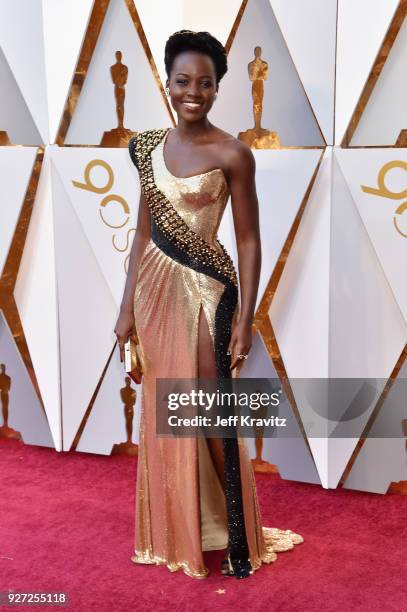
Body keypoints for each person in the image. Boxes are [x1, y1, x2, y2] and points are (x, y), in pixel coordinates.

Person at [114, 29, 303, 580]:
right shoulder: (147, 148)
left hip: (206, 295)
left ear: (218, 89)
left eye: (205, 83)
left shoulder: (232, 152)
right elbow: (143, 232)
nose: (193, 91)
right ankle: (186, 527)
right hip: (153, 294)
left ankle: (238, 535)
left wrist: (246, 318)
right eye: (182, 81)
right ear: (167, 84)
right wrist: (126, 309)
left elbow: (248, 239)